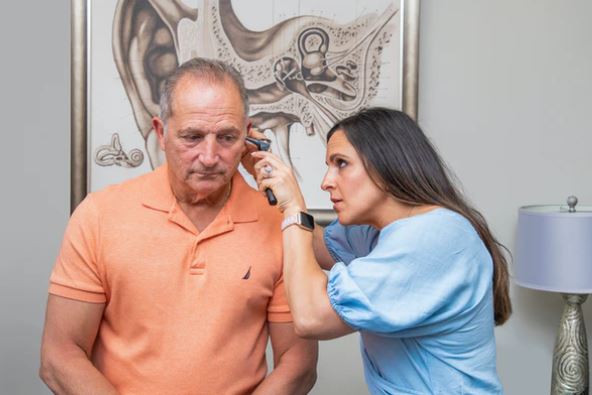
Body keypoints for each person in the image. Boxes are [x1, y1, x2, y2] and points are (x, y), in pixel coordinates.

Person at [39, 58, 318, 395]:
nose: (210, 156)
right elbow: (60, 356)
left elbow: (297, 365)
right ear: (161, 132)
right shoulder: (99, 215)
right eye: (192, 137)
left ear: (247, 136)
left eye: (227, 137)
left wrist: (292, 208)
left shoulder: (278, 225)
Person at [251, 108, 512, 394]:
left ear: (386, 164)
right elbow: (313, 246)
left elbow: (311, 317)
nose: (326, 181)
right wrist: (258, 171)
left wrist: (294, 207)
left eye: (341, 164)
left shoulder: (431, 238)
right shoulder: (381, 230)